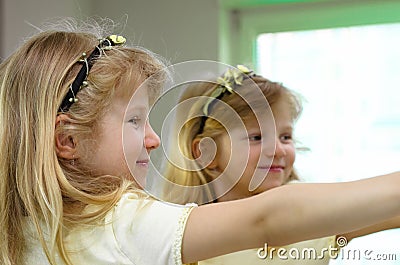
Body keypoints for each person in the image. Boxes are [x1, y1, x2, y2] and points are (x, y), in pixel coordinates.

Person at [0, 18, 399, 265]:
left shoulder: (17, 231)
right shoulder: (125, 224)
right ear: (67, 139)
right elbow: (271, 217)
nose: (154, 140)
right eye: (136, 121)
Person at [161, 65, 400, 264]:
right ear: (205, 152)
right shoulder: (183, 232)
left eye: (285, 137)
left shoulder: (316, 217)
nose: (278, 150)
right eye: (257, 137)